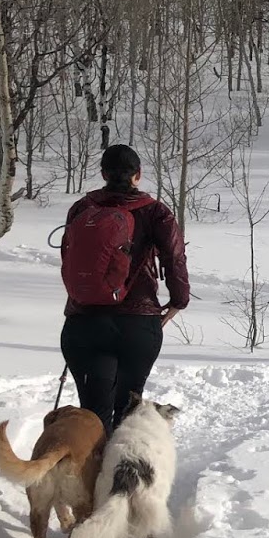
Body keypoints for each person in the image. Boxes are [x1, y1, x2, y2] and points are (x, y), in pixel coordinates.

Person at [59, 144, 190, 433]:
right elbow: (174, 256)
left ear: (103, 173)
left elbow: (69, 259)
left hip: (84, 322)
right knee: (127, 410)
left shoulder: (83, 208)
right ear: (138, 175)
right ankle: (121, 474)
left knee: (93, 416)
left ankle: (87, 471)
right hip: (137, 324)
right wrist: (179, 300)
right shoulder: (156, 212)